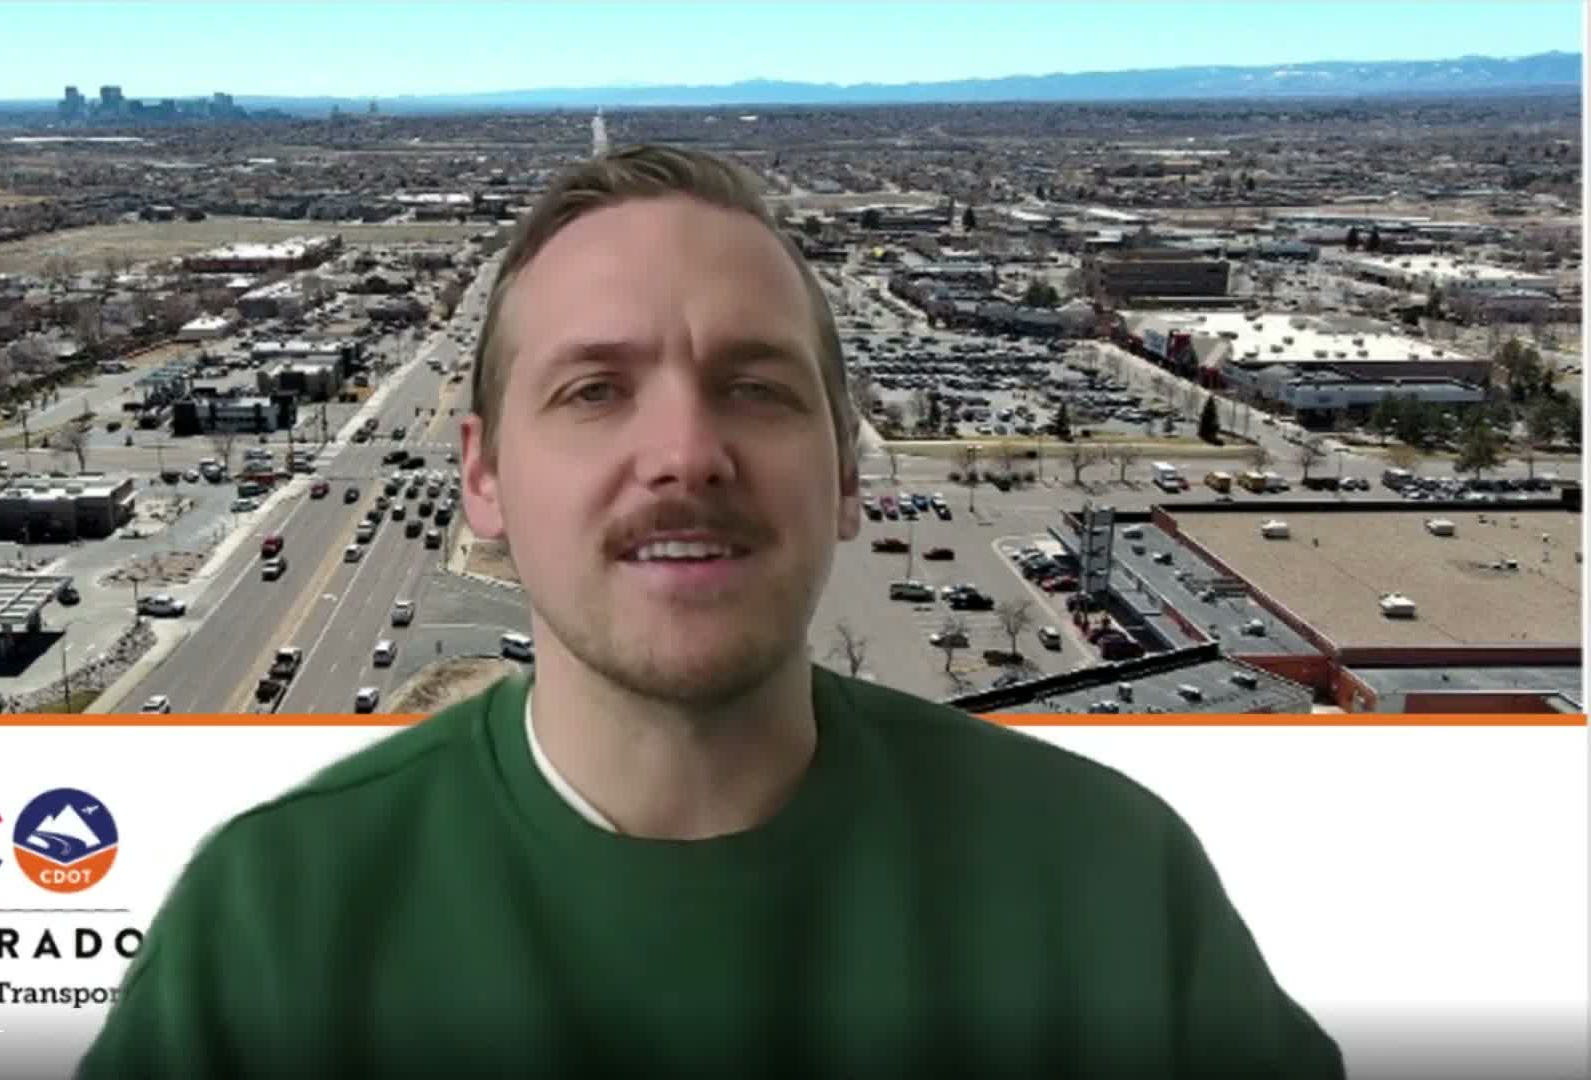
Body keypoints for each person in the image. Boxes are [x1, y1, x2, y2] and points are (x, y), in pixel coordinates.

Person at [78, 146, 1342, 1079]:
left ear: (846, 474)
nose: (684, 453)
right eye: (593, 390)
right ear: (485, 475)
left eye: (756, 387)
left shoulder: (1105, 883)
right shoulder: (279, 923)